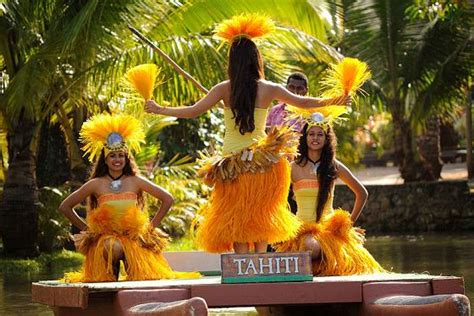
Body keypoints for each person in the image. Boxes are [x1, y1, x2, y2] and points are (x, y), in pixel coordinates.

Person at [145, 14, 349, 254]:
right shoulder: (269, 88)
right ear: (256, 60)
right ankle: (261, 262)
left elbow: (192, 111)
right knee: (261, 216)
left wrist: (160, 108)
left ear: (232, 62)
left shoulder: (223, 89)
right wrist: (336, 99)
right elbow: (304, 102)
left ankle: (243, 265)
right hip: (264, 164)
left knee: (238, 219)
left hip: (231, 165)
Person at [59, 113, 199, 282]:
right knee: (112, 247)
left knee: (139, 272)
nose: (117, 160)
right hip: (106, 240)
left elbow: (167, 199)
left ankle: (130, 279)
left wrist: (150, 228)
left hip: (133, 238)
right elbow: (65, 207)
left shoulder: (135, 181)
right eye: (112, 156)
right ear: (105, 159)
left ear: (126, 158)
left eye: (121, 156)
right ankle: (110, 280)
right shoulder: (96, 184)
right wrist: (89, 231)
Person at [275, 109, 384, 275]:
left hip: (329, 230)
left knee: (328, 253)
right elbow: (276, 199)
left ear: (327, 139)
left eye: (320, 134)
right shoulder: (293, 167)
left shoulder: (334, 166)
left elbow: (361, 193)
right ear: (305, 137)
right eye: (311, 134)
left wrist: (348, 224)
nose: (315, 138)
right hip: (303, 230)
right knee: (310, 247)